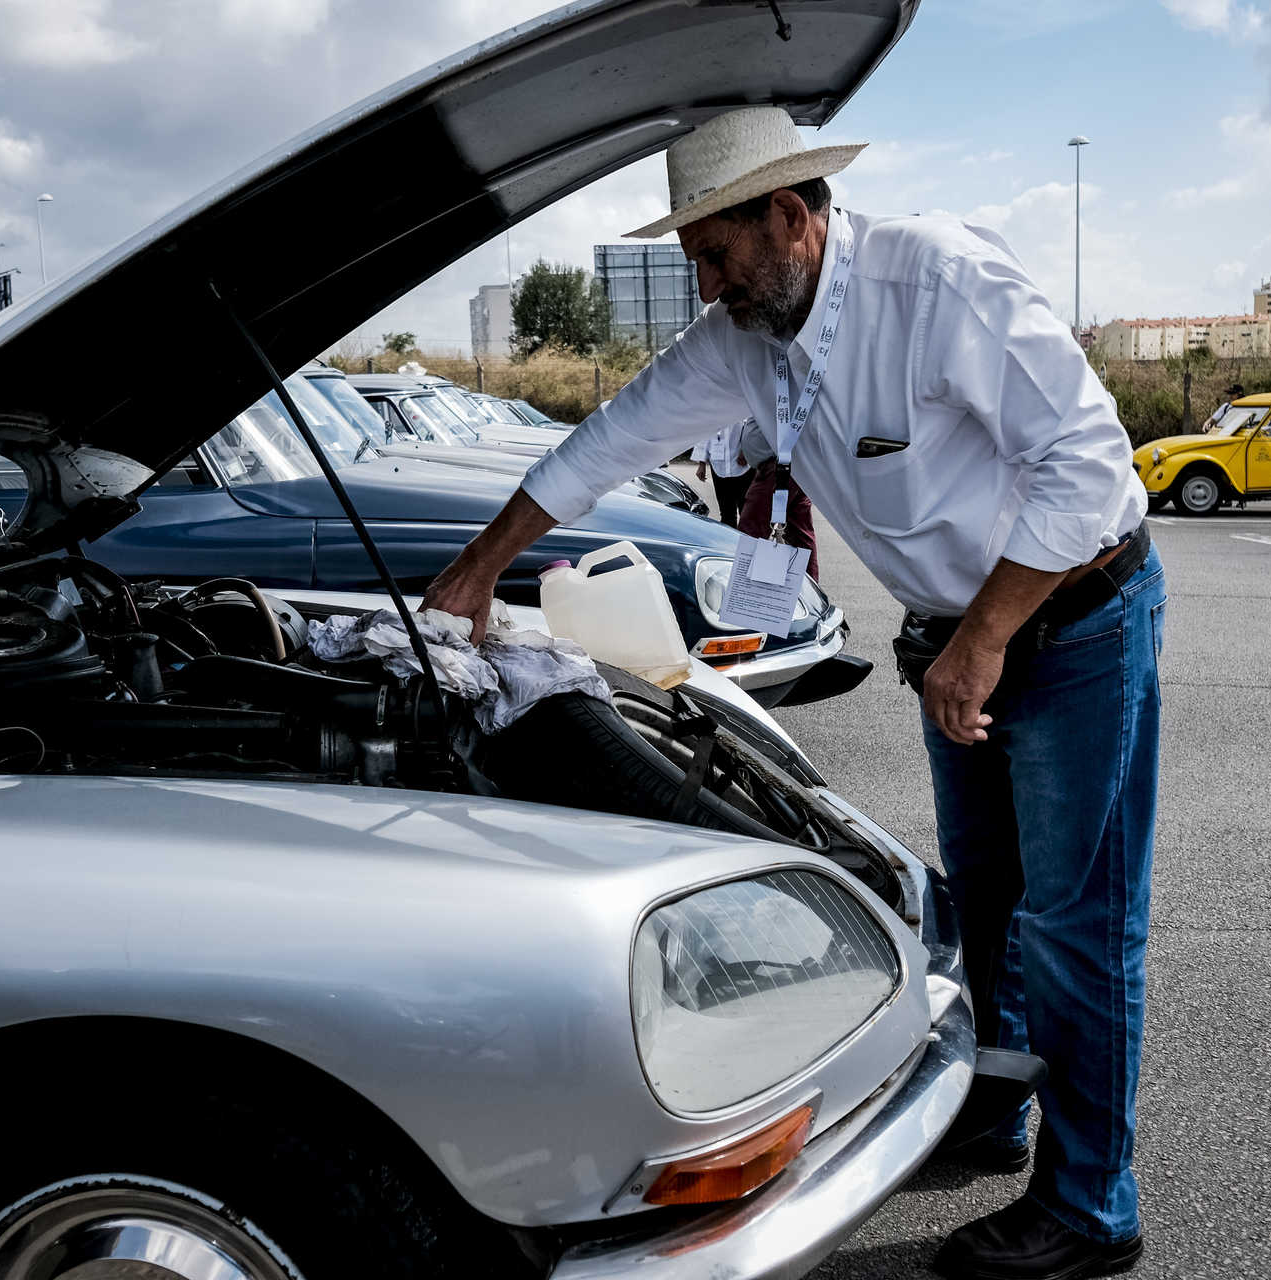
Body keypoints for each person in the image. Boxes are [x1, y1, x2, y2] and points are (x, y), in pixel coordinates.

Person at [422, 106, 1163, 1280]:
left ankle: (1090, 1206)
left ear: (790, 216)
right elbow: (605, 443)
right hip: (958, 631)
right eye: (696, 265)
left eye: (716, 255)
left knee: (1074, 924)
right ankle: (996, 1107)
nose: (708, 286)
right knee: (983, 900)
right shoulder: (743, 339)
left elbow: (1090, 467)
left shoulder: (938, 280)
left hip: (1072, 623)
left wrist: (982, 638)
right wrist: (477, 567)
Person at [737, 456, 820, 581]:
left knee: (751, 532)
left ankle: (741, 589)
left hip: (776, 464)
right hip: (793, 464)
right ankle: (810, 589)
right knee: (800, 532)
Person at [689, 419, 753, 526]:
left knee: (746, 512)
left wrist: (745, 450)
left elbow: (750, 426)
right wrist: (702, 463)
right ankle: (729, 541)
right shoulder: (710, 408)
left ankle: (747, 541)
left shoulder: (743, 403)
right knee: (726, 513)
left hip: (742, 464)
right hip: (718, 465)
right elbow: (704, 433)